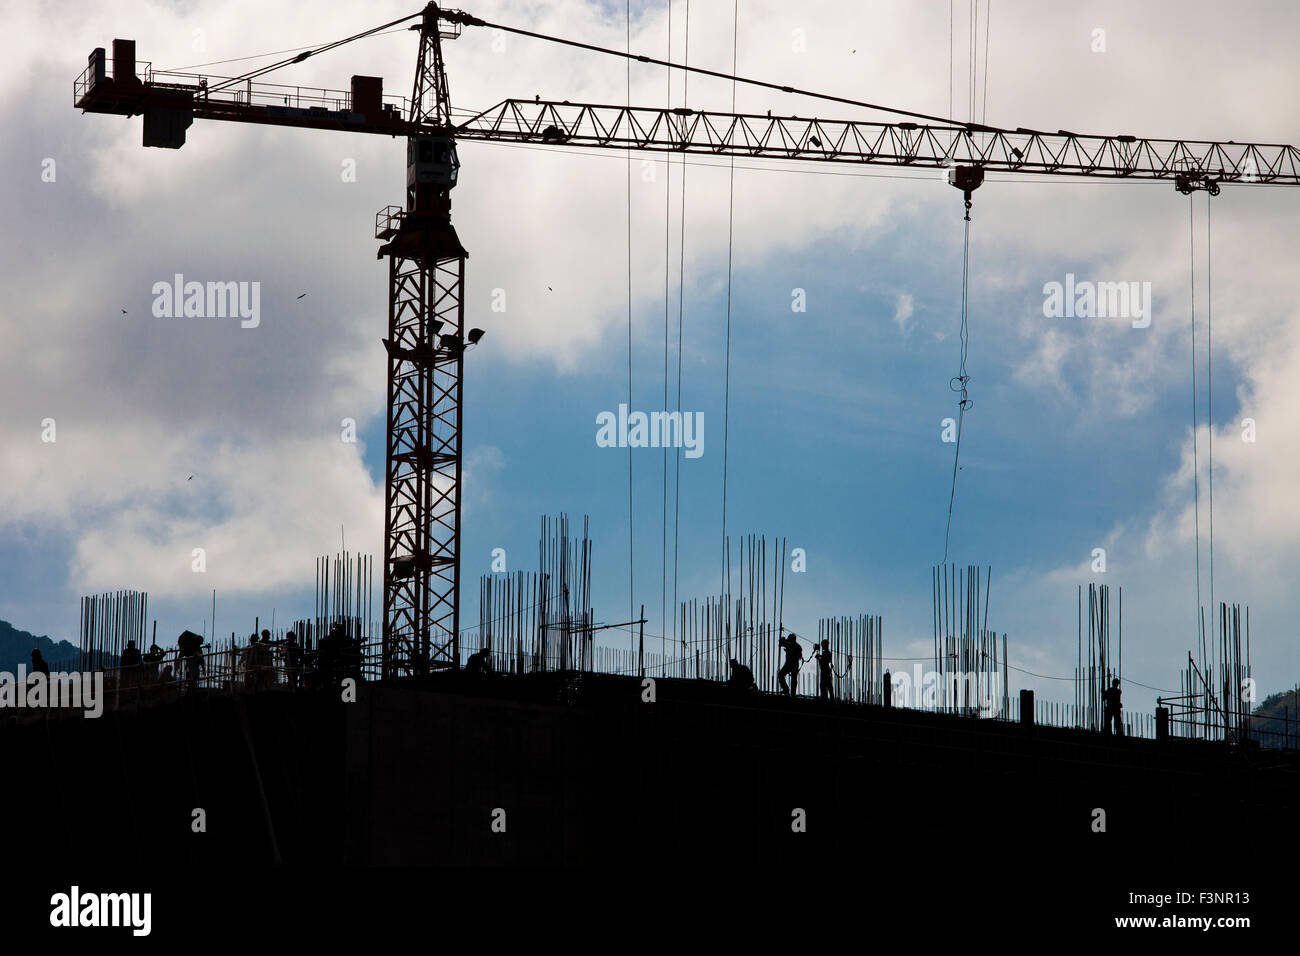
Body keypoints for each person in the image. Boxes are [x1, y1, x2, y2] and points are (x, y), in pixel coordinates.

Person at [777, 631, 803, 696]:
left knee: (781, 675)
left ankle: (786, 690)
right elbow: (800, 656)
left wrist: (782, 639)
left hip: (789, 664)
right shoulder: (798, 646)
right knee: (794, 679)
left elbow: (782, 643)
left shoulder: (791, 644)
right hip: (795, 664)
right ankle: (792, 693)